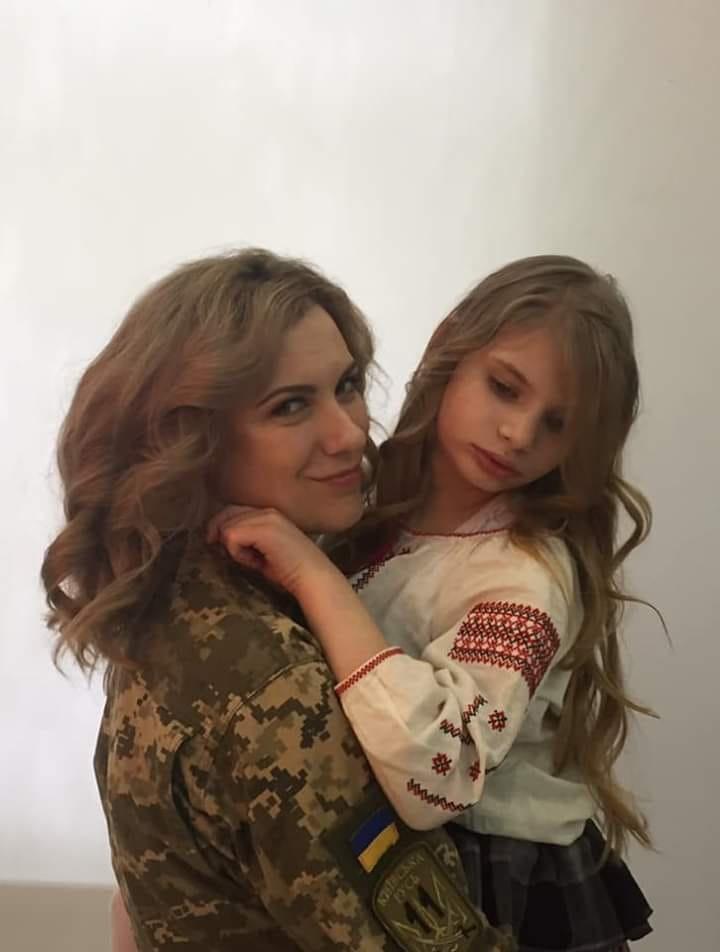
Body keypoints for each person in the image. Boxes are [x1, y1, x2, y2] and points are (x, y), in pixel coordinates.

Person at [41, 249, 514, 952]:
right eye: (289, 406)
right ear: (193, 439)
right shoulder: (272, 683)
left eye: (347, 386)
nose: (349, 434)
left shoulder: (167, 600)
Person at [210, 255, 655, 951]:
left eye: (556, 424)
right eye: (504, 388)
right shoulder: (367, 495)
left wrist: (311, 574)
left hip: (490, 882)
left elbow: (438, 774)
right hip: (375, 848)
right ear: (452, 345)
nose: (519, 434)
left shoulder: (526, 577)